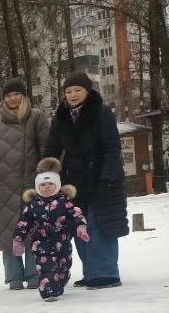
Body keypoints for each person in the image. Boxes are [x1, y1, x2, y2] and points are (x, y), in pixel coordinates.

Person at [44, 72, 128, 289]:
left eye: (77, 90)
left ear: (88, 91)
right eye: (68, 91)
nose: (73, 94)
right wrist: (48, 176)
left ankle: (106, 274)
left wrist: (108, 177)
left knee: (99, 225)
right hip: (74, 182)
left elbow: (112, 148)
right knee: (79, 226)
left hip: (101, 178)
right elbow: (52, 149)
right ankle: (91, 272)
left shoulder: (101, 112)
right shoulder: (61, 117)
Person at [0, 78, 50, 290]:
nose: (12, 99)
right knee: (7, 232)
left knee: (33, 230)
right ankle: (13, 277)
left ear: (24, 96)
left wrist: (47, 179)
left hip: (31, 185)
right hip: (2, 186)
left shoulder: (36, 117)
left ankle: (34, 274)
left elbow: (45, 149)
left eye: (16, 94)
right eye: (8, 95)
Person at [12, 158, 90, 302]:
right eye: (42, 185)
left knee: (63, 266)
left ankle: (60, 281)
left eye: (50, 184)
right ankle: (49, 292)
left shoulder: (64, 202)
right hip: (41, 242)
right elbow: (24, 222)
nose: (46, 187)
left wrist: (80, 227)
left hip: (62, 241)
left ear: (58, 185)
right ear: (37, 187)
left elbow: (76, 213)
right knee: (46, 267)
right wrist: (18, 239)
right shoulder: (33, 205)